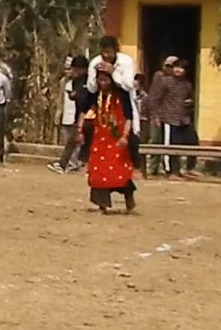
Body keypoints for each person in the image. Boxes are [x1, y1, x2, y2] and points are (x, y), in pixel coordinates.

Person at [80, 62, 138, 214]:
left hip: (116, 138)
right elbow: (85, 112)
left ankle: (129, 197)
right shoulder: (94, 96)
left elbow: (128, 117)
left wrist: (125, 136)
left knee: (118, 171)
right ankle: (102, 205)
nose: (102, 83)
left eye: (106, 80)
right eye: (100, 80)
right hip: (99, 138)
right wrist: (80, 130)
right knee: (98, 170)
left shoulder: (122, 95)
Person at [146, 57, 200, 179]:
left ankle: (188, 168)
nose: (178, 70)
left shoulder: (187, 85)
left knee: (191, 142)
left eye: (181, 68)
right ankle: (171, 171)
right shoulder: (166, 82)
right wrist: (156, 116)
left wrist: (190, 103)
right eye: (176, 67)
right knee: (170, 146)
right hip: (169, 118)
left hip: (183, 118)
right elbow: (155, 99)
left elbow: (192, 100)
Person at [52, 56, 88, 173]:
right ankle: (64, 164)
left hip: (89, 116)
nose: (73, 72)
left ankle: (71, 164)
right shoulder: (72, 82)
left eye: (75, 69)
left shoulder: (90, 81)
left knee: (79, 141)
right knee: (72, 140)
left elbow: (87, 98)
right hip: (77, 115)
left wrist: (77, 95)